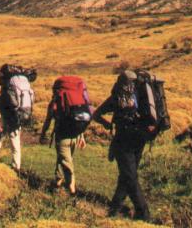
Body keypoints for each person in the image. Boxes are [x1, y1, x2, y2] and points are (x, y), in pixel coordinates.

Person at [93, 70, 154, 221]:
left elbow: (96, 114)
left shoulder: (116, 97)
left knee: (130, 176)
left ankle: (143, 213)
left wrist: (108, 125)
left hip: (123, 139)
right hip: (139, 139)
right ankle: (114, 208)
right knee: (127, 175)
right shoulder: (141, 95)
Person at [39, 75, 91, 195]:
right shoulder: (77, 100)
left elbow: (47, 121)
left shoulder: (55, 103)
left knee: (66, 163)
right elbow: (80, 117)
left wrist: (43, 134)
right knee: (63, 159)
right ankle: (58, 181)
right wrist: (81, 135)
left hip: (62, 137)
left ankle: (72, 190)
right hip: (75, 135)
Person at [0, 68, 22, 172]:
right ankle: (16, 167)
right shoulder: (15, 87)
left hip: (5, 117)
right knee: (15, 142)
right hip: (16, 118)